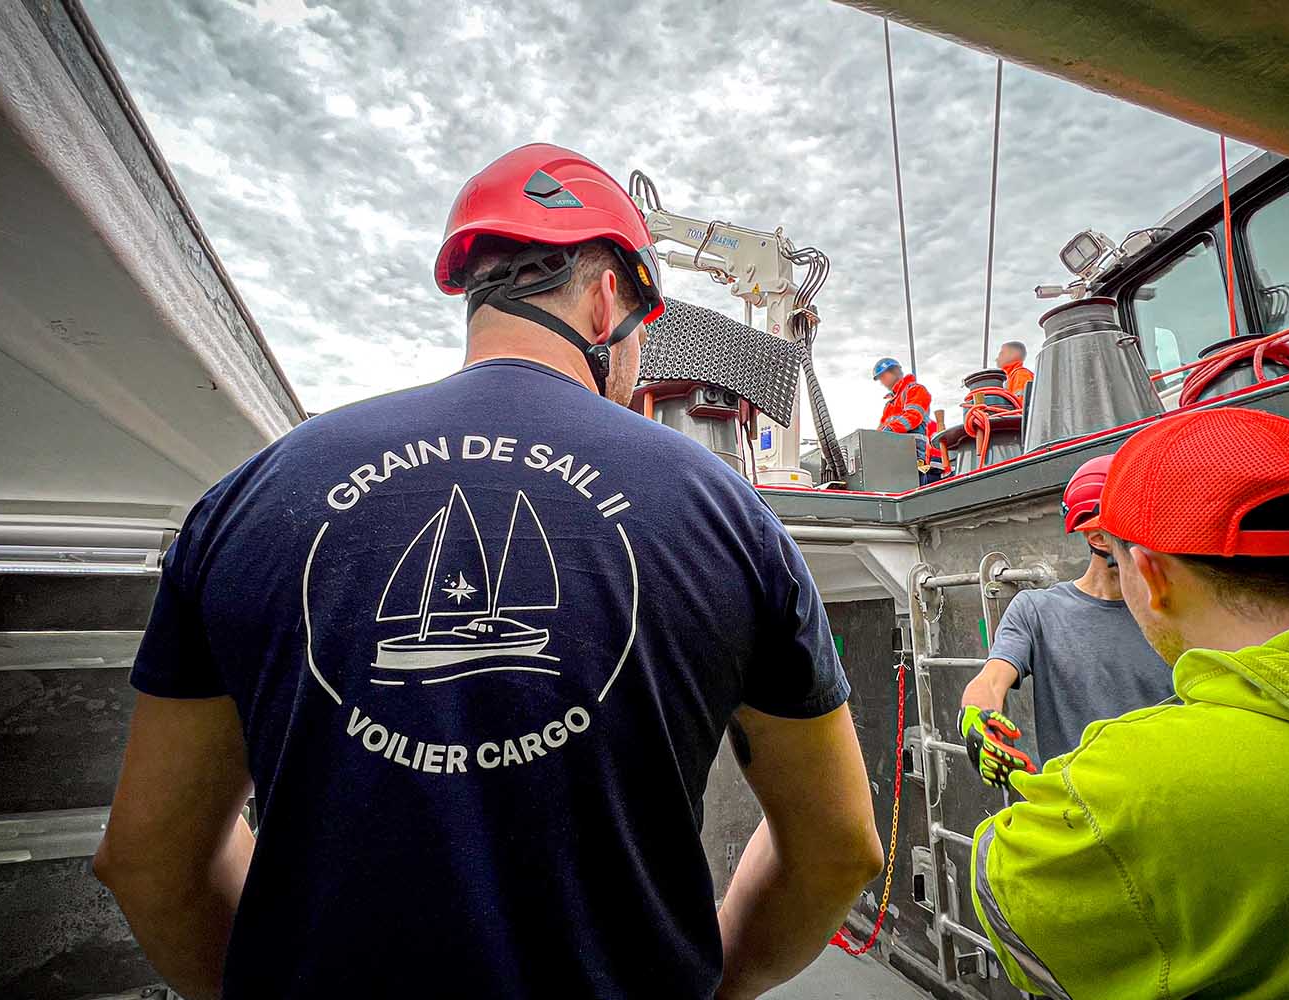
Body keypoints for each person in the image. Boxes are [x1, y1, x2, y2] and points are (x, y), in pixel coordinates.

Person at [94, 143, 883, 1000]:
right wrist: (713, 982)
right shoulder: (728, 515)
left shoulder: (252, 497)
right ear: (606, 297)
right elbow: (841, 849)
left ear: (475, 290)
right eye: (642, 338)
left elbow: (147, 860)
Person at [970, 408, 1289, 999]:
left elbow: (1003, 889)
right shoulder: (1039, 610)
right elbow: (994, 674)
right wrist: (981, 707)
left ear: (1150, 573)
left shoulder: (1111, 789)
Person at [958, 454, 1173, 779]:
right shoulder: (1037, 611)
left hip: (1169, 804)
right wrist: (975, 717)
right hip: (1078, 814)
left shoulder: (1177, 607)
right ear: (1098, 537)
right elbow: (990, 680)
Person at [874, 357, 940, 482]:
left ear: (893, 371)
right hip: (894, 457)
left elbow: (913, 417)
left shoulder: (915, 390)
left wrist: (888, 430)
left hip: (914, 455)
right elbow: (880, 429)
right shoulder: (889, 405)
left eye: (882, 376)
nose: (882, 382)